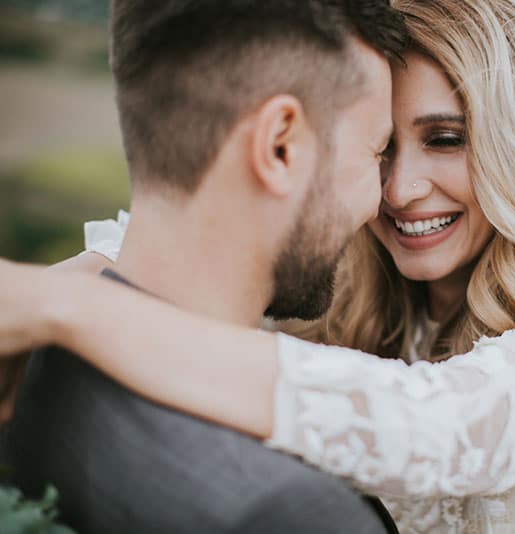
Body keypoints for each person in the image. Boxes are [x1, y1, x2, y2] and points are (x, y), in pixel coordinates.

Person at [0, 0, 515, 532]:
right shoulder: (345, 275)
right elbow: (175, 244)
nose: (400, 189)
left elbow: (435, 427)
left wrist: (70, 311)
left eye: (446, 140)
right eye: (380, 149)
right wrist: (49, 287)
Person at [0, 0, 407, 532]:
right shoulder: (294, 510)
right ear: (279, 145)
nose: (378, 203)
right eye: (376, 152)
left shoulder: (29, 361)